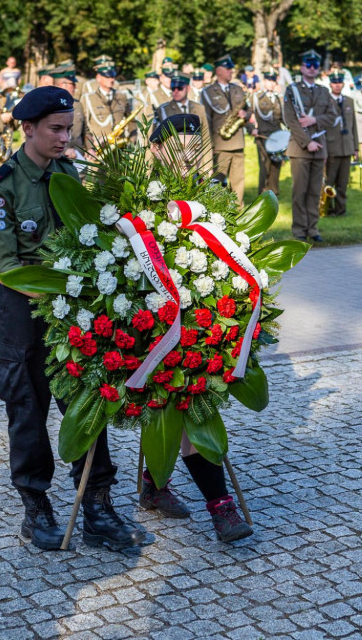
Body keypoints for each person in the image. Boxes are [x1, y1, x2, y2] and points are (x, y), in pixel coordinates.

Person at [0, 86, 144, 552]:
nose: (63, 137)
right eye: (55, 129)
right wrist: (61, 297)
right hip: (23, 311)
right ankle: (36, 509)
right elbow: (7, 266)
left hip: (71, 310)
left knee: (87, 402)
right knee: (27, 410)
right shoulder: (3, 184)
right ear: (28, 128)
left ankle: (97, 507)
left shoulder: (68, 172)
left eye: (68, 128)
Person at [138, 112, 255, 543]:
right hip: (151, 327)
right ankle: (220, 508)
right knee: (186, 407)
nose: (187, 159)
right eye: (177, 150)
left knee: (187, 404)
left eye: (194, 150)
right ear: (155, 150)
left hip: (201, 323)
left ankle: (154, 485)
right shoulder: (136, 198)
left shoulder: (211, 194)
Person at [282, 49, 337, 241]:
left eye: (315, 65)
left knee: (315, 192)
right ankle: (299, 230)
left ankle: (313, 229)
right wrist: (307, 143)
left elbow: (332, 116)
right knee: (300, 192)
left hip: (319, 147)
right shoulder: (292, 90)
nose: (312, 68)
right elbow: (290, 120)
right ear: (302, 67)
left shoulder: (324, 91)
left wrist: (315, 119)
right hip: (300, 149)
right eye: (308, 65)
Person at [201, 54, 248, 202]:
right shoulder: (208, 92)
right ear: (218, 71)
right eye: (228, 69)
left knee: (238, 182)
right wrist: (209, 147)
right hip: (220, 145)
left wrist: (245, 114)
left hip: (238, 142)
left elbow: (248, 109)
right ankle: (218, 210)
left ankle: (237, 209)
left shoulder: (237, 89)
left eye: (231, 69)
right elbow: (206, 121)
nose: (231, 71)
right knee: (217, 182)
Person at [155, 75, 212, 172]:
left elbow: (205, 136)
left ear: (188, 88)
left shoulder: (199, 108)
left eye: (180, 88)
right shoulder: (163, 109)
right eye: (173, 88)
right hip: (173, 164)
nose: (176, 91)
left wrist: (208, 165)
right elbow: (155, 141)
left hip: (194, 161)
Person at [323, 72, 358, 216]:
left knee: (343, 183)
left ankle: (340, 209)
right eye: (334, 83)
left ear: (343, 84)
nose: (337, 85)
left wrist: (355, 147)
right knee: (329, 181)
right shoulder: (325, 102)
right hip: (332, 147)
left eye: (339, 83)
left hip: (346, 147)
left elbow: (353, 126)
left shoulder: (349, 101)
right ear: (330, 84)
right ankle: (327, 209)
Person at [78, 61, 132, 154]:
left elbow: (131, 120)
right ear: (98, 78)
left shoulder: (121, 96)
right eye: (107, 77)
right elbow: (83, 127)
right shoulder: (88, 98)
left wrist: (132, 140)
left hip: (119, 148)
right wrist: (89, 147)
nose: (111, 79)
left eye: (113, 76)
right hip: (99, 148)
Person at [250, 69, 284, 194]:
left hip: (277, 137)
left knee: (276, 166)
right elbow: (247, 115)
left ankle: (274, 194)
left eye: (273, 80)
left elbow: (284, 117)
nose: (271, 83)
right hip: (262, 136)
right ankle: (263, 194)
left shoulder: (279, 98)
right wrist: (252, 129)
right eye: (268, 80)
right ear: (264, 81)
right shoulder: (256, 97)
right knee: (265, 167)